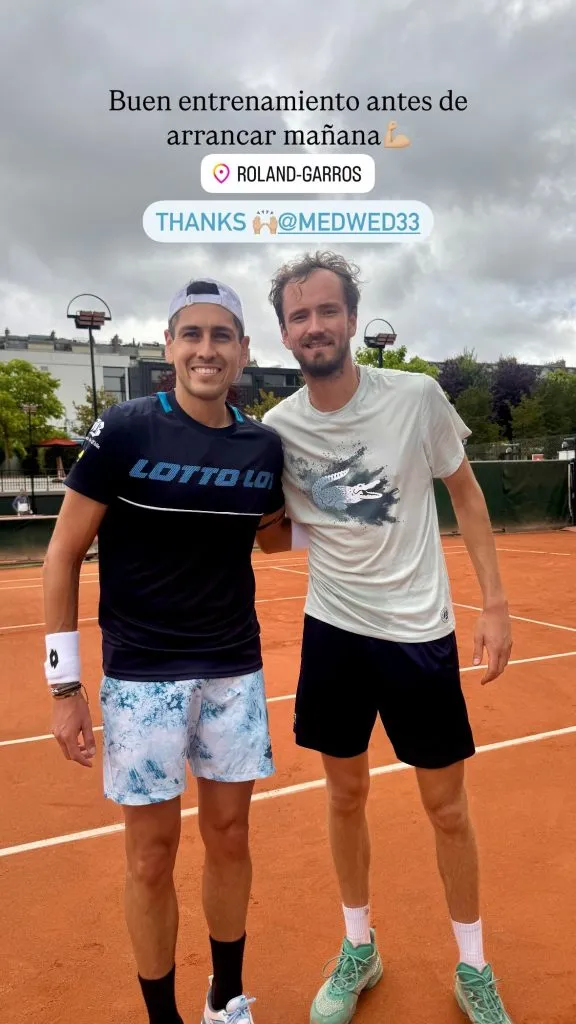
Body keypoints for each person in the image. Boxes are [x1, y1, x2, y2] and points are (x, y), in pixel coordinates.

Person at [258, 252, 514, 1024]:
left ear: (351, 318)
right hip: (333, 632)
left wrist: (494, 604)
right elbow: (275, 542)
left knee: (446, 809)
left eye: (326, 311)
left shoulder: (416, 398)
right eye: (299, 316)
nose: (314, 326)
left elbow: (465, 495)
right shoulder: (276, 429)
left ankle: (473, 966)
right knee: (344, 795)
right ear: (285, 333)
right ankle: (359, 948)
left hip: (417, 635)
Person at [42, 278, 285, 1024]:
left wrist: (364, 507)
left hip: (233, 674)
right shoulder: (125, 430)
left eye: (222, 336)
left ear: (243, 351)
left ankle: (225, 998)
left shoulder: (262, 446)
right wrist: (64, 687)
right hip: (142, 678)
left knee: (231, 839)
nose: (206, 349)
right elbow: (61, 555)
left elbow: (279, 532)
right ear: (169, 348)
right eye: (192, 334)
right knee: (149, 859)